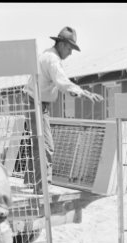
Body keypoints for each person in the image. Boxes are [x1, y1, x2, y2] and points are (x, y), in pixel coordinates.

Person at [23, 26, 104, 194]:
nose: (70, 53)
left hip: (36, 101)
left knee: (38, 142)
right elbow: (62, 82)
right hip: (36, 103)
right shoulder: (52, 59)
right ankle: (42, 188)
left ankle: (32, 181)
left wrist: (81, 92)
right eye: (69, 48)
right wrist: (82, 92)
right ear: (60, 44)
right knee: (46, 146)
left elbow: (62, 84)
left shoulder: (48, 55)